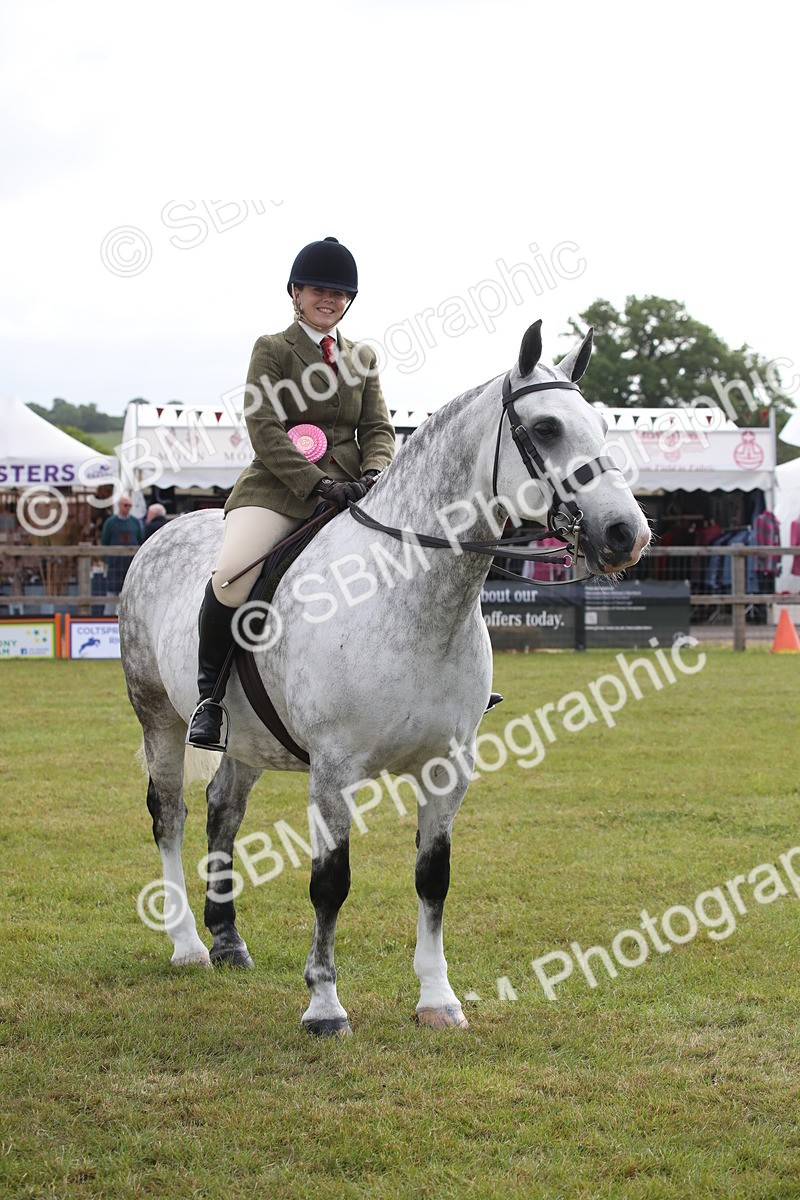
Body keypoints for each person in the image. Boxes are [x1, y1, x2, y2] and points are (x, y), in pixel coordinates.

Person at [186, 237, 396, 750]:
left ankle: (438, 685)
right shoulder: (273, 349)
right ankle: (209, 700)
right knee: (233, 577)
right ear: (296, 293)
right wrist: (314, 483)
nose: (330, 300)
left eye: (340, 293)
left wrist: (373, 475)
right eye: (320, 290)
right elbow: (263, 425)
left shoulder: (362, 357)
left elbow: (379, 429)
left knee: (410, 562)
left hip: (353, 491)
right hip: (280, 489)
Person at [101, 494, 143, 597]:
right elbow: (104, 542)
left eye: (130, 505)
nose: (128, 508)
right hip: (115, 564)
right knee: (112, 593)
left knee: (131, 593)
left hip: (130, 564)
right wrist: (107, 559)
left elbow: (140, 539)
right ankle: (109, 614)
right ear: (119, 505)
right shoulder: (110, 523)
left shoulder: (135, 522)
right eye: (125, 505)